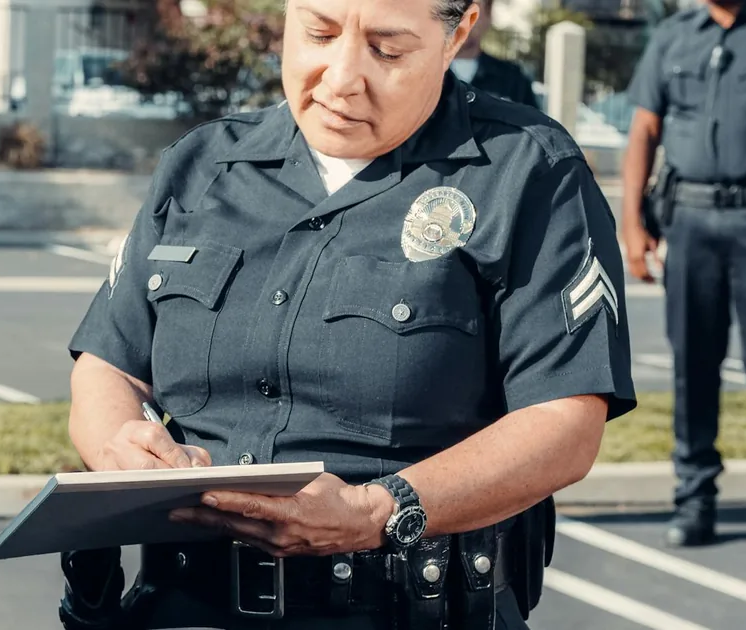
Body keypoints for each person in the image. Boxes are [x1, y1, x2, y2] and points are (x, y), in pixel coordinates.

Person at [61, 0, 636, 628]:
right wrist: (122, 445)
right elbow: (109, 365)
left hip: (405, 609)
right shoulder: (202, 166)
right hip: (182, 605)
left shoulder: (528, 174)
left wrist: (377, 510)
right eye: (319, 33)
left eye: (387, 49)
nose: (341, 78)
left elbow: (566, 422)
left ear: (458, 34)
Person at [622, 0, 746, 549]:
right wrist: (632, 225)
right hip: (688, 222)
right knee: (693, 365)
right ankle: (695, 499)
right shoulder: (673, 35)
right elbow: (644, 129)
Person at [451, 0, 540, 108]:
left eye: (469, 6)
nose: (462, 16)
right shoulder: (428, 74)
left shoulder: (512, 80)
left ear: (489, 15)